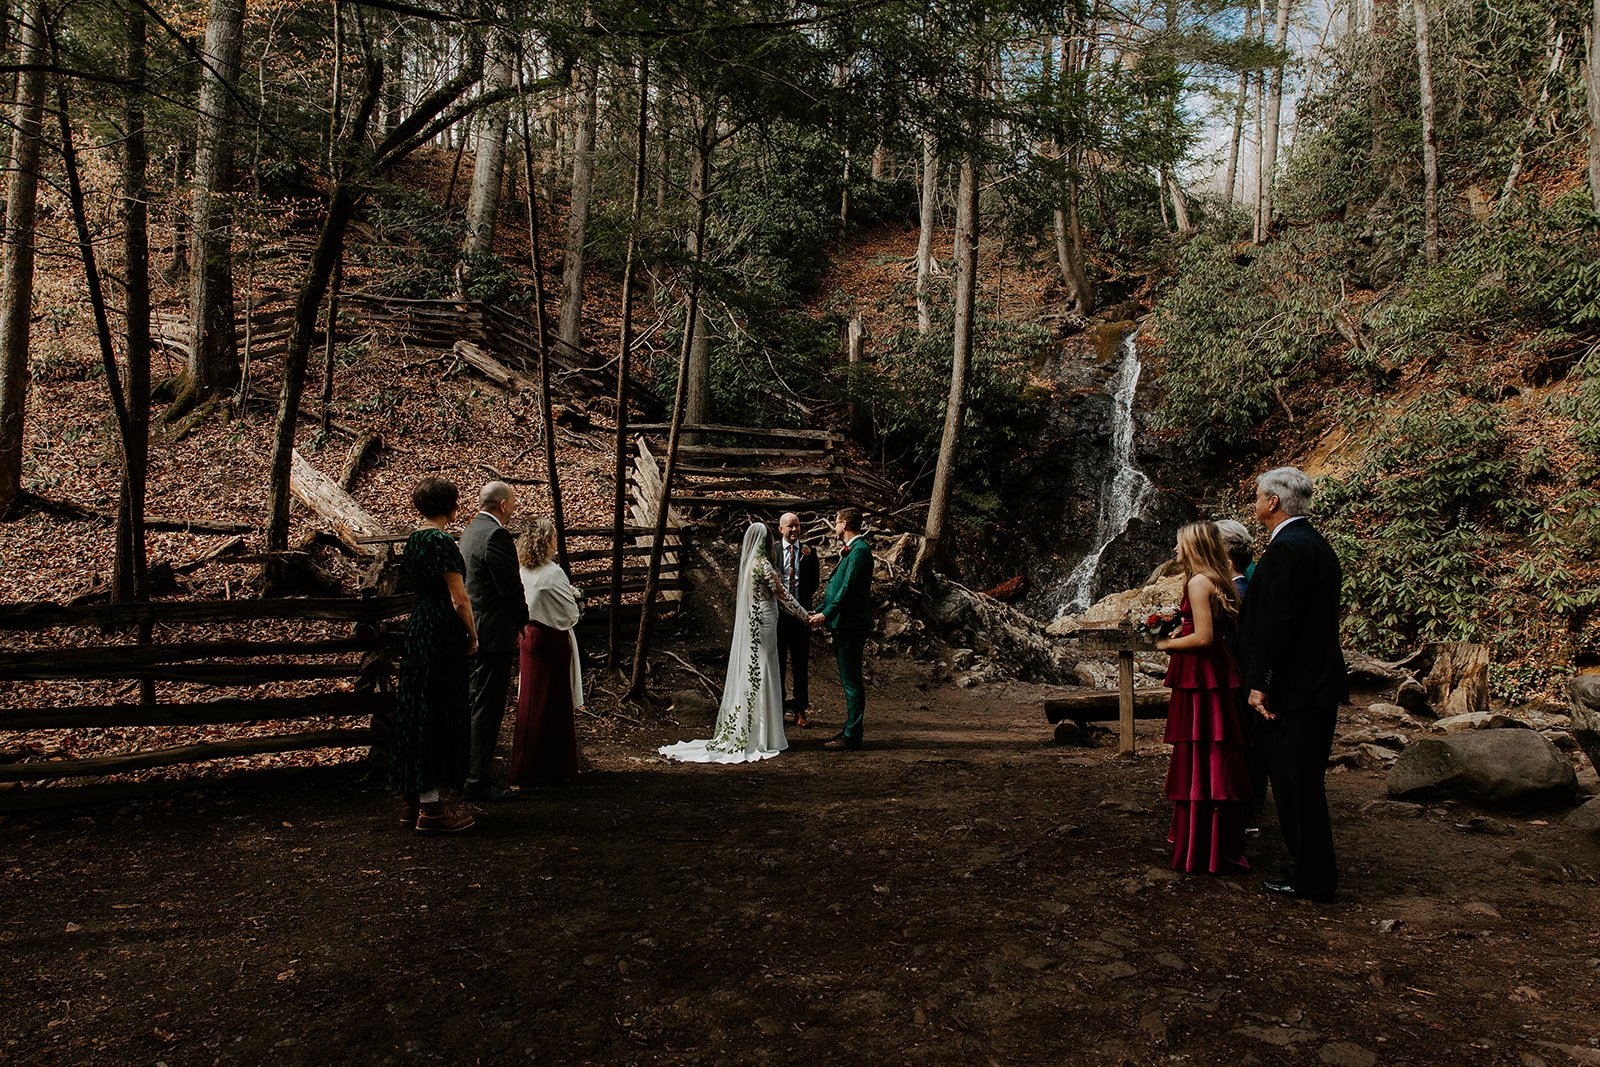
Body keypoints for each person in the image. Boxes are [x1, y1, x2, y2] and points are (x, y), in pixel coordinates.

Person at [1238, 467, 1347, 903]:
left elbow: (1276, 625)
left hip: (1294, 689)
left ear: (1274, 503)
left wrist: (1261, 682)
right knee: (1303, 782)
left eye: (1258, 496)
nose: (1255, 504)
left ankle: (1313, 880)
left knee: (1294, 783)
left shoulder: (1286, 549)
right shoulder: (1314, 543)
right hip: (1315, 683)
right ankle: (1309, 867)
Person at [660, 522, 810, 763]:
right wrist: (806, 616)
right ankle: (762, 734)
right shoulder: (764, 566)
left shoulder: (751, 564)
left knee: (757, 671)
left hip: (755, 622)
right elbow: (784, 597)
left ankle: (757, 729)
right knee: (764, 672)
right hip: (766, 622)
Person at [1154, 522, 1251, 874]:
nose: (1176, 552)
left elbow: (1204, 638)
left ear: (1193, 548)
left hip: (1202, 674)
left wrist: (1165, 643)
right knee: (1214, 754)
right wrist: (1180, 625)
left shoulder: (1197, 582)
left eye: (1180, 546)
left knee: (1200, 752)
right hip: (1217, 673)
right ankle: (1215, 841)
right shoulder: (1217, 579)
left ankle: (1200, 847)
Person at [390, 477, 476, 833]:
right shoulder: (440, 541)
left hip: (420, 625)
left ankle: (411, 800)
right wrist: (472, 633)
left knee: (416, 705)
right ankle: (432, 809)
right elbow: (459, 597)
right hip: (441, 629)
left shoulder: (413, 539)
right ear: (450, 505)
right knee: (438, 709)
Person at [460, 481, 528, 800]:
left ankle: (469, 772)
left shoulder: (469, 531)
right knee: (487, 707)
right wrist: (522, 621)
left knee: (475, 702)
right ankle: (478, 781)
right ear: (502, 506)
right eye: (512, 503)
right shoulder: (496, 535)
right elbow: (509, 587)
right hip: (494, 632)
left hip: (476, 627)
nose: (514, 509)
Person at [509, 519, 584, 787]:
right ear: (546, 542)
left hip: (528, 637)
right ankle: (554, 766)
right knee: (554, 700)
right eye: (552, 538)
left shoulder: (523, 570)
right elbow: (569, 613)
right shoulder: (552, 573)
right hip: (551, 638)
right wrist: (576, 605)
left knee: (531, 699)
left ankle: (529, 765)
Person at [1215, 517, 1268, 834]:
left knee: (1244, 740)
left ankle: (1247, 809)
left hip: (1241, 675)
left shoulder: (1241, 587)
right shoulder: (1250, 576)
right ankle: (1248, 805)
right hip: (1244, 673)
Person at [809, 507, 873, 752]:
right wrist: (818, 608)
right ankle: (850, 729)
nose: (834, 525)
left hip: (851, 626)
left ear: (844, 524)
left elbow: (846, 590)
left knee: (852, 681)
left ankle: (852, 734)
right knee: (850, 680)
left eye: (836, 521)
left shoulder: (859, 552)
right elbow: (835, 590)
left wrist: (825, 615)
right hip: (843, 623)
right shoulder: (853, 551)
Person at [775, 512, 819, 729]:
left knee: (800, 664)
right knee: (778, 664)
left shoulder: (809, 553)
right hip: (778, 618)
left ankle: (800, 709)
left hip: (802, 617)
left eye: (797, 526)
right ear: (780, 529)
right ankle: (779, 708)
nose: (794, 530)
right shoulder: (772, 552)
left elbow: (813, 583)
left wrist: (803, 607)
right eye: (790, 527)